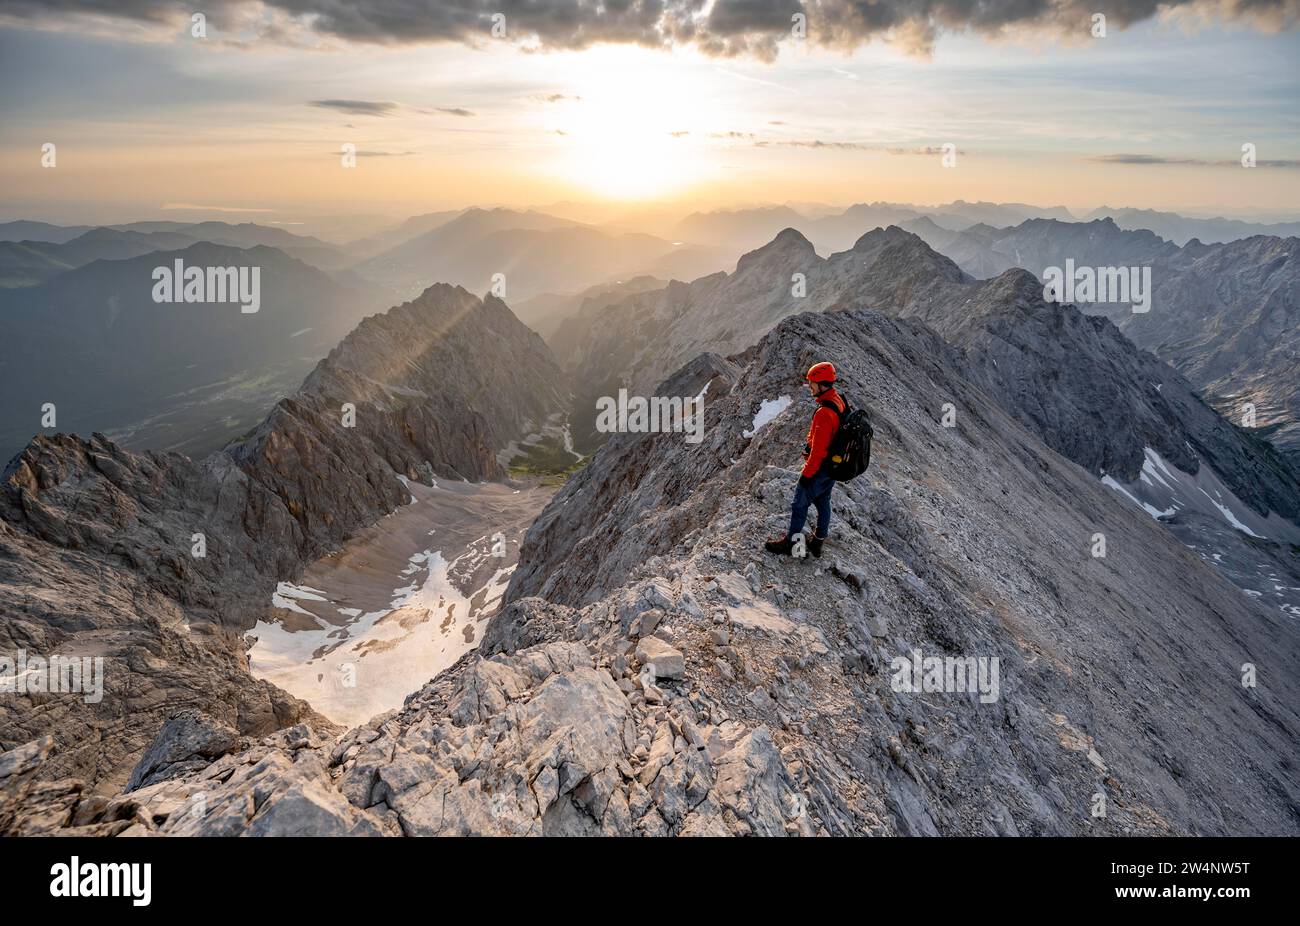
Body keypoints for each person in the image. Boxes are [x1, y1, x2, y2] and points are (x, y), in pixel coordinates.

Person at [765, 362, 845, 558]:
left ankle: (791, 545)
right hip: (833, 467)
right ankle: (817, 542)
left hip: (820, 468)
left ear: (821, 384)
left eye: (812, 383)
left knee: (799, 504)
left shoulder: (824, 413)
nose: (810, 387)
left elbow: (818, 451)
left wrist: (806, 476)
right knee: (823, 502)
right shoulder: (838, 400)